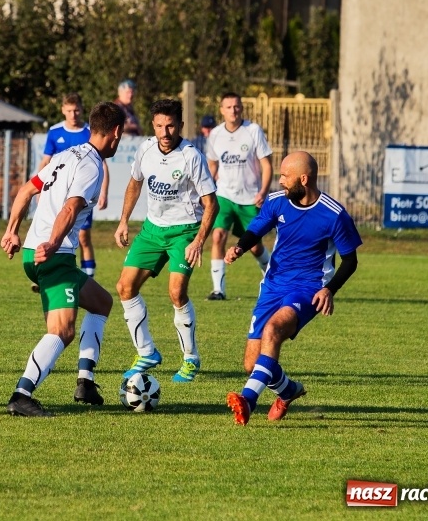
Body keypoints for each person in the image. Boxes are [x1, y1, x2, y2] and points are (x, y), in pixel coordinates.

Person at [1, 101, 126, 417]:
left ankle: (86, 381)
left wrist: (12, 231)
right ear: (116, 132)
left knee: (101, 303)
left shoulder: (65, 155)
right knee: (62, 331)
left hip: (38, 252)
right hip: (53, 255)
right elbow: (70, 208)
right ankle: (21, 395)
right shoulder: (92, 166)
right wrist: (54, 243)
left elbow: (26, 191)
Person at [225, 151, 362, 426]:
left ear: (304, 179)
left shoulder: (334, 214)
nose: (280, 181)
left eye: (285, 176)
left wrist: (329, 290)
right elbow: (256, 230)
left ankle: (248, 401)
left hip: (308, 289)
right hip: (273, 284)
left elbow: (350, 260)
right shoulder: (277, 202)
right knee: (252, 364)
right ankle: (288, 391)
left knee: (273, 330)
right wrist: (240, 247)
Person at [114, 99, 218, 383]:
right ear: (153, 125)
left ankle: (190, 358)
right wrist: (123, 220)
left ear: (180, 125)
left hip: (184, 231)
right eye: (159, 126)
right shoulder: (145, 148)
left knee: (176, 293)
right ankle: (146, 352)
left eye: (170, 126)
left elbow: (211, 204)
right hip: (152, 230)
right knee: (124, 287)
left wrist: (198, 240)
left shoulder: (191, 156)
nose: (165, 132)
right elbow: (135, 183)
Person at [205, 92, 273, 301]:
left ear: (241, 108)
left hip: (250, 198)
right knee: (218, 236)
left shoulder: (253, 130)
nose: (233, 110)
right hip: (224, 195)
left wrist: (263, 192)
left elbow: (266, 164)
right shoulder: (215, 134)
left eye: (236, 106)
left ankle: (272, 278)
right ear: (222, 110)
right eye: (228, 107)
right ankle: (218, 290)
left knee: (254, 246)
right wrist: (207, 191)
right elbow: (212, 165)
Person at [36, 93, 109, 286]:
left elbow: (102, 163)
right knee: (51, 231)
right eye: (69, 110)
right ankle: (44, 272)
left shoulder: (89, 131)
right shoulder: (55, 132)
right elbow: (46, 162)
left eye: (76, 110)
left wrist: (104, 191)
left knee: (83, 236)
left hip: (81, 192)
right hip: (58, 192)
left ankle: (88, 278)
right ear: (63, 110)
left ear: (82, 110)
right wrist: (40, 188)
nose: (73, 114)